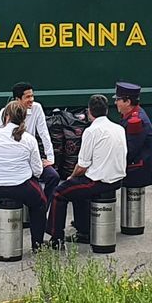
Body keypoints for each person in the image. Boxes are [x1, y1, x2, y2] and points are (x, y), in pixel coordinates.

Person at [53, 94, 125, 246]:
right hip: (117, 180)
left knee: (59, 193)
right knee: (78, 190)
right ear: (106, 110)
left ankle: (56, 237)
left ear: (89, 111)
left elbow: (82, 166)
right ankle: (84, 231)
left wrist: (70, 177)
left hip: (99, 182)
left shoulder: (91, 131)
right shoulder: (119, 128)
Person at [0, 100, 50, 251]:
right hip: (21, 187)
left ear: (6, 117)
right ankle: (37, 245)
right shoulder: (29, 139)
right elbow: (38, 171)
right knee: (40, 204)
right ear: (23, 119)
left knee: (4, 201)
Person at [115, 82, 152, 192]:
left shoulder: (135, 121)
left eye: (118, 100)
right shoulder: (131, 114)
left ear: (127, 102)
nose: (115, 102)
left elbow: (130, 149)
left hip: (137, 171)